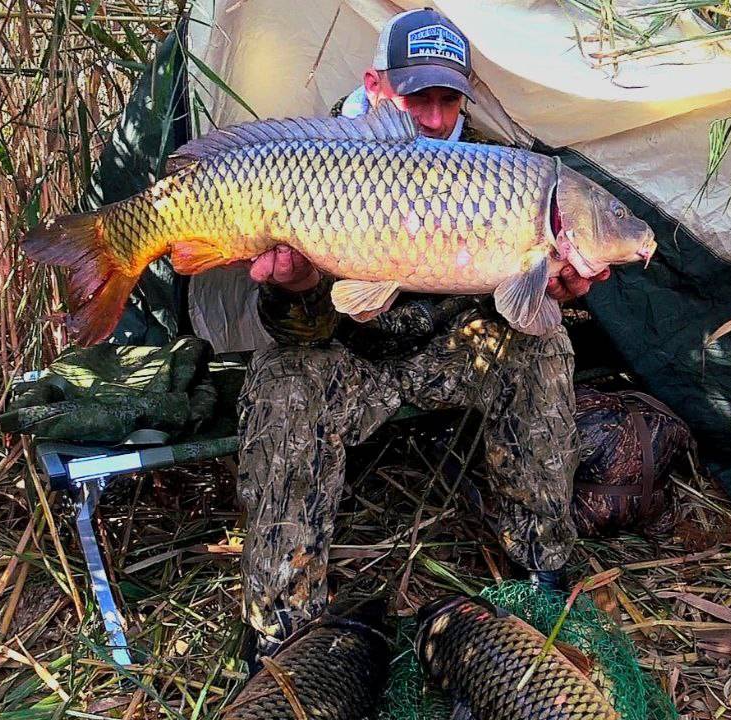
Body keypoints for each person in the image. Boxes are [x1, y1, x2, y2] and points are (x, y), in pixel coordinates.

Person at [235, 7, 608, 666]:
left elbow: (510, 308)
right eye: (418, 99)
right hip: (346, 353)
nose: (436, 119)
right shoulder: (311, 155)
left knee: (547, 348)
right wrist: (294, 289)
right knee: (283, 380)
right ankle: (283, 624)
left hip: (445, 349)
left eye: (449, 98)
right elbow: (294, 333)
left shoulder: (501, 164)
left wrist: (547, 294)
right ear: (377, 88)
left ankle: (543, 570)